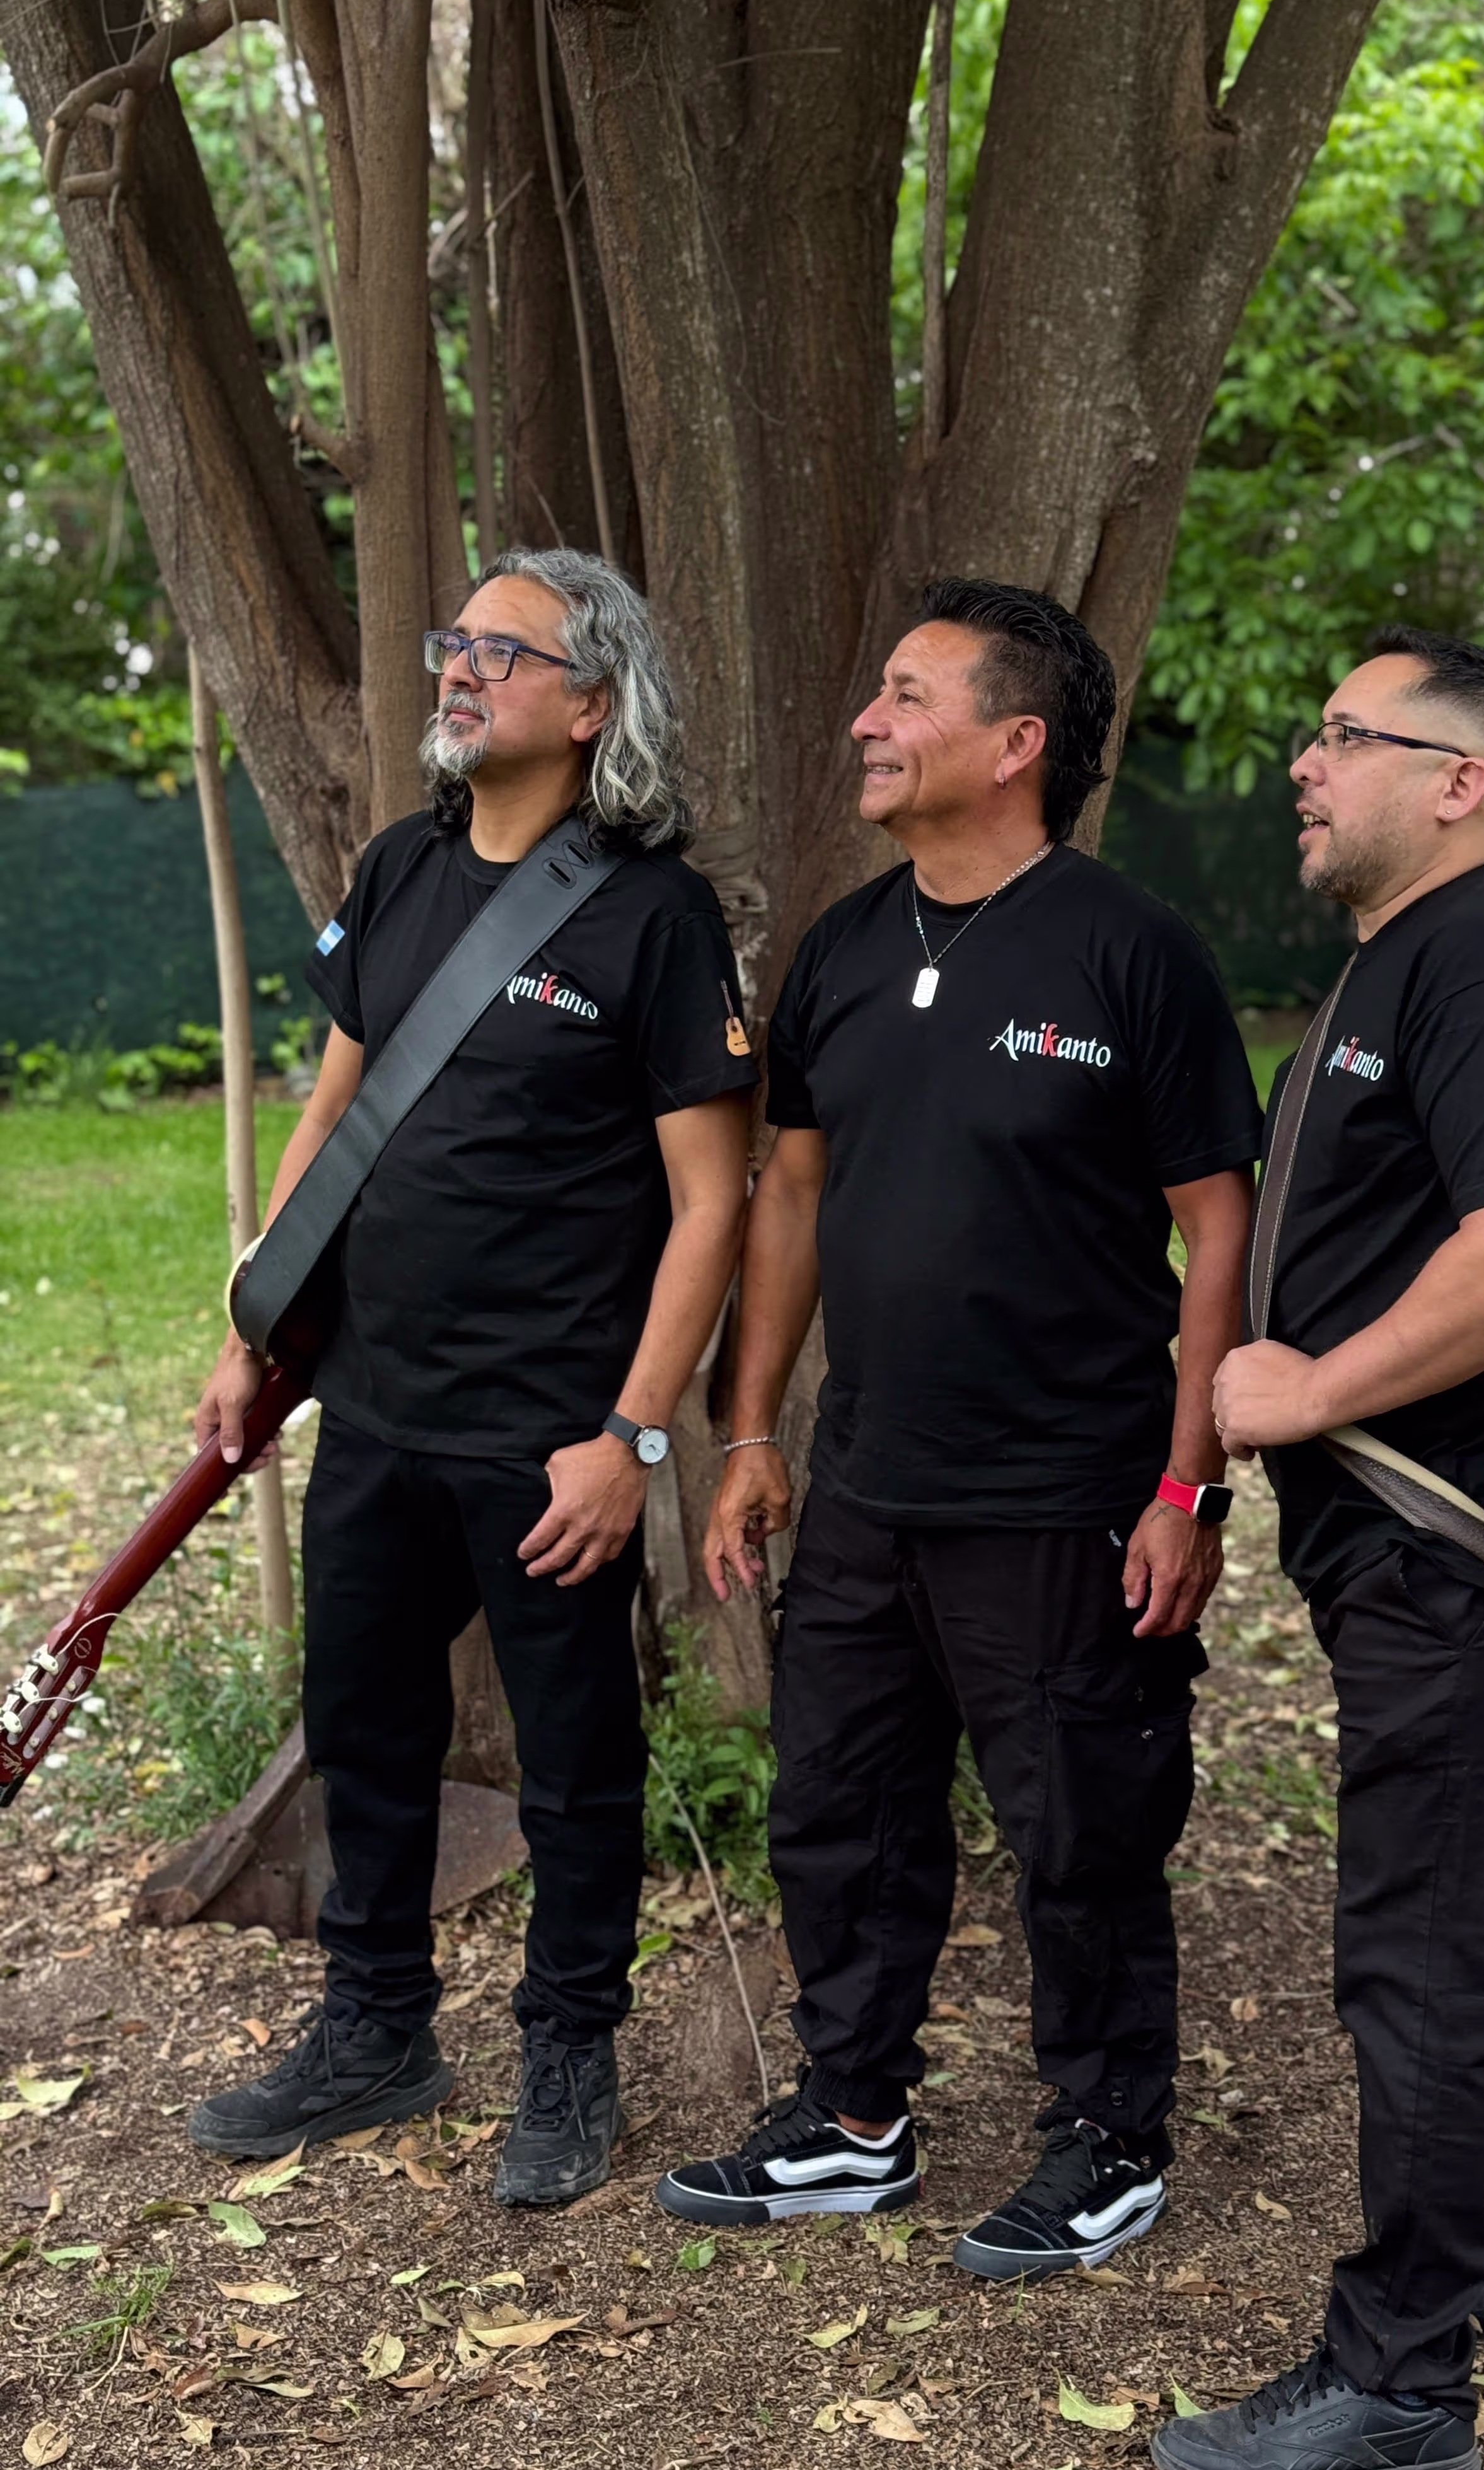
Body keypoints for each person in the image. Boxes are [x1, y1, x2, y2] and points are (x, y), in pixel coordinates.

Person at [652, 579, 1261, 2277]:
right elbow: (792, 1190)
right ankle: (853, 2121)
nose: (868, 719)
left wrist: (1187, 1481)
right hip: (864, 1481)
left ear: (1016, 744)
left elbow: (1221, 1226)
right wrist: (755, 1427)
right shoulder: (843, 950)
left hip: (1067, 1490)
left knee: (1081, 1820)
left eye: (906, 695)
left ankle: (1110, 2134)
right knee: (836, 1810)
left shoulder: (1134, 953)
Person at [187, 548, 756, 2206]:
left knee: (577, 1764)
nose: (458, 669)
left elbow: (713, 1204)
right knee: (362, 1725)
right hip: (372, 1403)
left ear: (590, 706)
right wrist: (252, 1332)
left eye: (501, 653)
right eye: (456, 643)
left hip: (548, 1436)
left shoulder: (654, 918)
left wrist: (630, 1436)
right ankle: (376, 2028)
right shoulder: (401, 869)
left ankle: (569, 2051)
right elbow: (332, 1112)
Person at [1151, 629, 1484, 2470]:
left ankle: (1396, 2382)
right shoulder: (1405, 963)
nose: (1304, 761)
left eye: (1346, 736)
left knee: (1430, 1948)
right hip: (1434, 1561)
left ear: (1461, 782)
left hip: (1472, 1560)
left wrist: (1300, 1387)